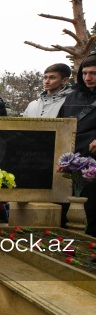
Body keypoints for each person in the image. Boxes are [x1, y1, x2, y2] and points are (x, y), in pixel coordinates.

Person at [58, 54, 96, 237]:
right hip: (71, 164)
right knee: (65, 213)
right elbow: (60, 124)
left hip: (94, 166)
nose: (88, 78)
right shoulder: (72, 97)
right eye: (85, 73)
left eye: (94, 74)